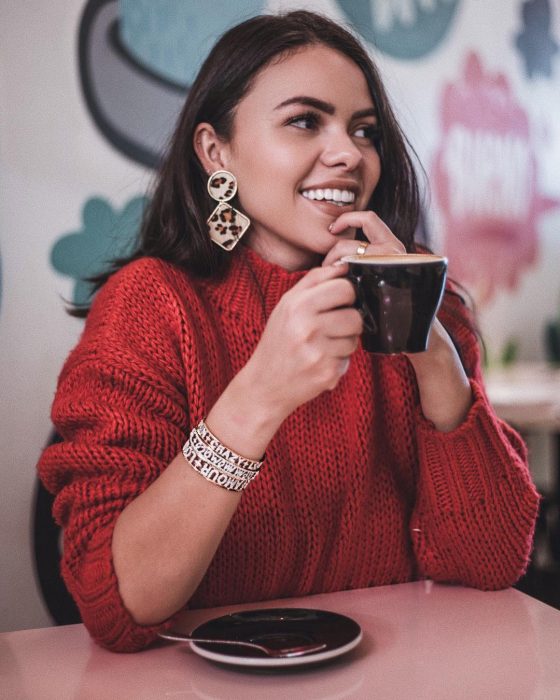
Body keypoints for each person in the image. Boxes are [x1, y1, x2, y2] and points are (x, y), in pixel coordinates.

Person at [38, 11, 539, 653]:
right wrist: (258, 398)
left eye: (365, 131)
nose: (348, 154)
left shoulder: (426, 311)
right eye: (305, 121)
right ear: (216, 152)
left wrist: (435, 354)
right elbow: (119, 604)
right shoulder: (150, 308)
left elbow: (493, 562)